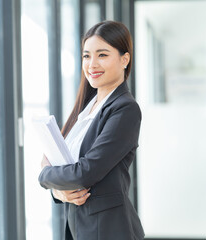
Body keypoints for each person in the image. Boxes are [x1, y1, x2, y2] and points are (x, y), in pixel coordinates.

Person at [38, 21, 145, 240]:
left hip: (109, 230)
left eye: (102, 55)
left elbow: (86, 171)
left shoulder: (125, 109)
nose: (92, 64)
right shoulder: (87, 108)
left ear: (124, 59)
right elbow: (57, 161)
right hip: (82, 228)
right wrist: (59, 193)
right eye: (87, 56)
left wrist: (44, 177)